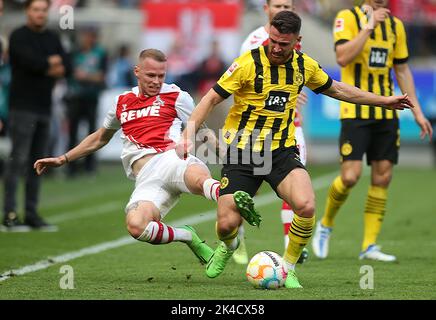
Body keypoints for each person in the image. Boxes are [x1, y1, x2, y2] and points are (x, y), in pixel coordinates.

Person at [175, 10, 415, 288]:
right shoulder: (247, 63)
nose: (276, 48)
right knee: (227, 224)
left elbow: (338, 90)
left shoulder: (304, 66)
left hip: (281, 151)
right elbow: (211, 99)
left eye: (283, 44)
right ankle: (228, 246)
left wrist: (383, 101)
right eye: (273, 41)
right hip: (243, 151)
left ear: (297, 41)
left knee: (306, 205)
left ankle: (287, 268)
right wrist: (188, 134)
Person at [34, 49, 257, 268]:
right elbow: (100, 138)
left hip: (172, 158)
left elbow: (202, 130)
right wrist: (63, 158)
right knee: (136, 226)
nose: (157, 81)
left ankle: (231, 201)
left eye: (161, 75)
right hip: (147, 178)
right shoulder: (122, 102)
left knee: (200, 179)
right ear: (137, 72)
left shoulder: (176, 96)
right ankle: (188, 236)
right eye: (151, 75)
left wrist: (229, 158)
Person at [311, 0, 433, 262]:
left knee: (382, 177)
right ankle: (326, 224)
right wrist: (368, 27)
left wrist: (418, 112)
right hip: (356, 111)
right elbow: (342, 57)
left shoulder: (396, 26)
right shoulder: (347, 18)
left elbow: (401, 69)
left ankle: (369, 246)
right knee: (351, 176)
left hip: (387, 111)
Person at [234, 0, 308, 265]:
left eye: (287, 4)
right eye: (277, 4)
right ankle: (237, 234)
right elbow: (240, 87)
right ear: (266, 8)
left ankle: (291, 245)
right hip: (257, 130)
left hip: (290, 126)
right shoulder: (253, 41)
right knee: (247, 190)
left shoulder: (295, 39)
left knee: (295, 185)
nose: (281, 8)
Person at [1, 0, 69, 232]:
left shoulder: (52, 37)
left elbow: (66, 65)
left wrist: (45, 65)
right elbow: (29, 63)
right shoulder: (18, 36)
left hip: (43, 107)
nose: (40, 14)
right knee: (17, 160)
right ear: (27, 11)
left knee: (38, 162)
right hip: (21, 107)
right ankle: (9, 214)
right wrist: (49, 64)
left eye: (43, 10)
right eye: (36, 9)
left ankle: (31, 213)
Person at [65, 26, 107, 177]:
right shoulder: (74, 53)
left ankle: (90, 166)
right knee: (72, 132)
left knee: (92, 132)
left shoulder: (100, 53)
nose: (88, 39)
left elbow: (102, 76)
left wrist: (85, 76)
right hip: (75, 96)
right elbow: (68, 73)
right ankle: (71, 166)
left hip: (91, 96)